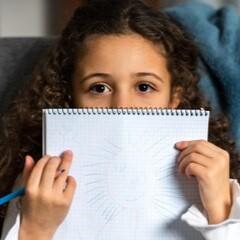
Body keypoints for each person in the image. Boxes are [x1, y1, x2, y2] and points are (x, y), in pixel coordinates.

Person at [0, 0, 240, 239]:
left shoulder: (217, 182)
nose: (123, 106)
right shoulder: (36, 185)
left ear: (174, 97)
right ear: (69, 94)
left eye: (144, 86)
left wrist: (219, 209)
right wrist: (36, 228)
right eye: (99, 88)